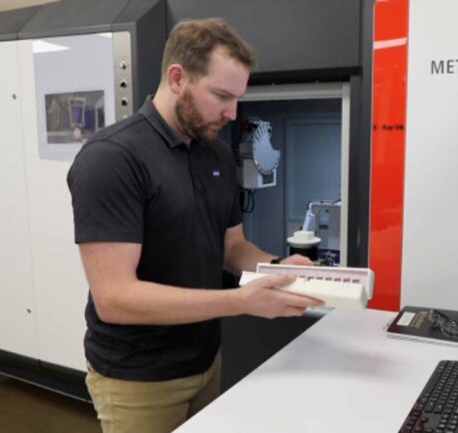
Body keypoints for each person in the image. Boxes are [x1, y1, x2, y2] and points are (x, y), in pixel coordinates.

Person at [67, 18, 323, 433]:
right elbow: (115, 297)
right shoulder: (113, 159)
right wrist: (242, 302)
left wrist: (281, 269)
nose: (232, 112)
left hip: (205, 361)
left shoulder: (216, 156)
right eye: (221, 95)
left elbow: (232, 249)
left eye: (237, 97)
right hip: (139, 379)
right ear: (176, 78)